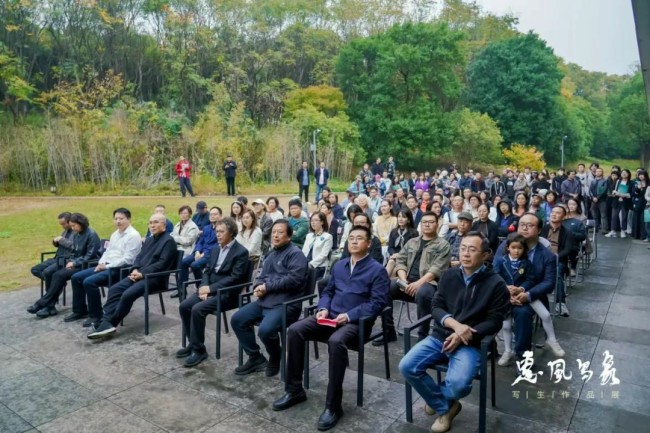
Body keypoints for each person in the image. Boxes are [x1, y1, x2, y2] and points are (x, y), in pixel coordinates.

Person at [272, 225, 389, 431]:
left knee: (336, 342)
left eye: (359, 238)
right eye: (351, 238)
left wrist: (350, 315)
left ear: (368, 244)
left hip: (355, 323)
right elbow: (328, 291)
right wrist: (323, 307)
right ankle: (294, 390)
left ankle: (333, 406)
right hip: (330, 317)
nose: (353, 241)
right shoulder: (339, 265)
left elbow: (377, 303)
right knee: (295, 330)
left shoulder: (377, 270)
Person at [399, 232, 510, 433]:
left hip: (471, 341)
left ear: (485, 255)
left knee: (458, 385)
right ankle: (447, 407)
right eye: (463, 248)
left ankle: (438, 399)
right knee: (407, 366)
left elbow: (494, 321)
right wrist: (456, 326)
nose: (466, 254)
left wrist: (463, 335)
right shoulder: (449, 275)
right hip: (441, 335)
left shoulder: (496, 284)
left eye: (472, 250)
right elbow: (436, 306)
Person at [230, 219, 309, 377]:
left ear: (289, 236)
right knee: (237, 319)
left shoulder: (296, 254)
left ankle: (275, 356)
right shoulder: (271, 254)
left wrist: (267, 287)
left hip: (286, 304)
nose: (275, 235)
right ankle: (255, 357)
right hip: (265, 301)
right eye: (273, 232)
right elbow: (262, 275)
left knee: (265, 331)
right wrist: (258, 287)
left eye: (280, 232)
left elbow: (294, 279)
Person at [87, 213, 178, 339]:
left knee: (127, 294)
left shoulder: (168, 241)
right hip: (138, 274)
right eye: (150, 223)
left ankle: (111, 323)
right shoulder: (150, 239)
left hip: (155, 278)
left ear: (164, 225)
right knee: (115, 289)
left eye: (156, 222)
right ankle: (106, 321)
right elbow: (139, 257)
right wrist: (135, 269)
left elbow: (162, 264)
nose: (152, 225)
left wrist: (142, 273)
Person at [176, 217, 250, 367]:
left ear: (232, 233)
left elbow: (235, 279)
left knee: (197, 309)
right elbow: (207, 271)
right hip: (209, 290)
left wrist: (211, 289)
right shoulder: (216, 249)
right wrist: (204, 287)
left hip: (228, 293)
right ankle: (194, 342)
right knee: (184, 306)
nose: (218, 234)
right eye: (217, 231)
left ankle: (199, 351)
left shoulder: (241, 252)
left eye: (222, 231)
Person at [492, 213, 557, 364]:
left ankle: (523, 360)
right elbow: (495, 272)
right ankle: (500, 351)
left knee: (522, 314)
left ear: (539, 230)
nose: (525, 228)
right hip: (505, 293)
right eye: (522, 224)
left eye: (530, 225)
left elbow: (549, 282)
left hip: (532, 296)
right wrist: (505, 290)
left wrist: (526, 294)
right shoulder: (505, 246)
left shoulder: (546, 254)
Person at [378, 211, 451, 344]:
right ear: (420, 224)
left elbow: (436, 269)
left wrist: (418, 284)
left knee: (424, 293)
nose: (427, 225)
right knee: (383, 288)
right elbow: (400, 261)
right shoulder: (412, 242)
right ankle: (388, 331)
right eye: (424, 222)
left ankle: (422, 337)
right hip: (406, 281)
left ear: (437, 224)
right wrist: (403, 280)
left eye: (431, 222)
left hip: (429, 283)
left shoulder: (443, 245)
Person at [68, 208, 142, 327]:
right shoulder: (115, 234)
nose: (118, 221)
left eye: (121, 218)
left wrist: (107, 266)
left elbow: (128, 259)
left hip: (120, 269)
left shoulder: (133, 235)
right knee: (76, 277)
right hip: (106, 265)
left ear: (128, 219)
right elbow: (107, 251)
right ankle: (80, 310)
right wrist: (101, 263)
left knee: (89, 282)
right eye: (116, 218)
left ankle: (96, 315)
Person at [28, 213, 101, 319]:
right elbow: (74, 251)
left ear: (81, 223)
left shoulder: (91, 234)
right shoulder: (77, 233)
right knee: (53, 273)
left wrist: (74, 263)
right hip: (76, 262)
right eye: (71, 226)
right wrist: (71, 261)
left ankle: (41, 303)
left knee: (59, 275)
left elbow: (90, 255)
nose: (72, 228)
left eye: (74, 225)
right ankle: (47, 305)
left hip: (88, 264)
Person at [542, 205, 575, 317]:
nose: (554, 214)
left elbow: (568, 249)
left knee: (557, 272)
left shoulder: (567, 232)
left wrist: (555, 256)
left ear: (563, 216)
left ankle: (560, 303)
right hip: (541, 258)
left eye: (558, 212)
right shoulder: (543, 228)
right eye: (553, 212)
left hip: (557, 260)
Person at [178, 206, 221, 291]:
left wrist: (204, 254)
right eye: (211, 214)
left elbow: (218, 244)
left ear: (220, 216)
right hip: (200, 252)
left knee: (195, 265)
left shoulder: (221, 229)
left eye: (215, 214)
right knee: (183, 262)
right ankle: (182, 289)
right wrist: (197, 251)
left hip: (211, 254)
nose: (212, 216)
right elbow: (200, 242)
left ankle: (201, 287)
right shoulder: (206, 228)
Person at [31, 212, 75, 292]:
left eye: (63, 224)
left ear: (69, 222)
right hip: (56, 258)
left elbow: (74, 247)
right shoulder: (65, 231)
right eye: (61, 224)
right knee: (35, 270)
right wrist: (55, 242)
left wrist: (61, 240)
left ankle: (50, 294)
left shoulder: (76, 232)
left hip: (66, 260)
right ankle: (57, 284)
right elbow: (60, 245)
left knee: (47, 272)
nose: (62, 226)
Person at [386, 209, 419, 277]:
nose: (400, 219)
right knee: (391, 262)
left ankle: (383, 282)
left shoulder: (414, 233)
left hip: (407, 258)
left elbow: (412, 249)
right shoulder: (394, 231)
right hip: (394, 257)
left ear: (409, 220)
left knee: (392, 263)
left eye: (403, 217)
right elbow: (390, 247)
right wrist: (394, 254)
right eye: (399, 216)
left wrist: (399, 255)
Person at [303, 212, 333, 281]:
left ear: (322, 222)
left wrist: (311, 264)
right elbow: (304, 251)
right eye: (312, 221)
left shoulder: (327, 237)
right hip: (305, 265)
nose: (313, 223)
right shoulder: (309, 236)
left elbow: (324, 255)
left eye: (316, 220)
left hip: (318, 266)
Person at [606, 169, 633, 238]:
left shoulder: (631, 183)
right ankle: (613, 231)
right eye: (622, 173)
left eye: (625, 173)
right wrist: (614, 193)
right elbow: (613, 189)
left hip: (625, 201)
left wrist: (624, 195)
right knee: (614, 216)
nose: (624, 174)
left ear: (628, 174)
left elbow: (631, 193)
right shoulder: (618, 181)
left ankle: (623, 231)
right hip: (616, 200)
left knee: (624, 217)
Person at [590, 167, 609, 233]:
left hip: (602, 200)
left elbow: (604, 190)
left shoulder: (605, 181)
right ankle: (595, 228)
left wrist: (597, 197)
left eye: (600, 171)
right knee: (594, 214)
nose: (598, 172)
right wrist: (593, 197)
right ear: (595, 173)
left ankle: (604, 229)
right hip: (593, 200)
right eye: (597, 171)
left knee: (603, 215)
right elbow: (590, 190)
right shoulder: (593, 181)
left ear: (602, 173)